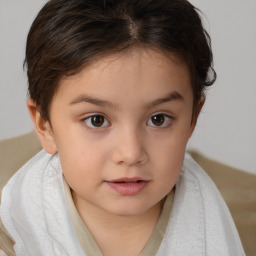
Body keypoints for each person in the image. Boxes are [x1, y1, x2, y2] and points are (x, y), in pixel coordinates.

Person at [0, 0, 245, 255]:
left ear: (192, 119)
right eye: (96, 120)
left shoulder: (240, 215)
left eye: (158, 119)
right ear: (44, 125)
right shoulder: (12, 228)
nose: (130, 153)